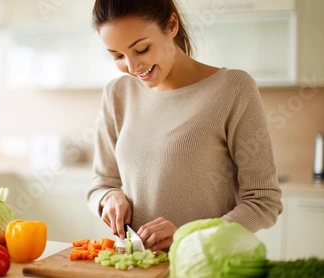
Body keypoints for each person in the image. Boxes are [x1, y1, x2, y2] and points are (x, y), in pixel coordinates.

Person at [86, 0, 283, 252]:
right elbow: (100, 184)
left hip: (207, 266)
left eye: (142, 49)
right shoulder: (117, 94)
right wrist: (108, 198)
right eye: (117, 56)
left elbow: (263, 201)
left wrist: (189, 237)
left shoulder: (233, 88)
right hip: (138, 266)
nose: (133, 67)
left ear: (171, 25)